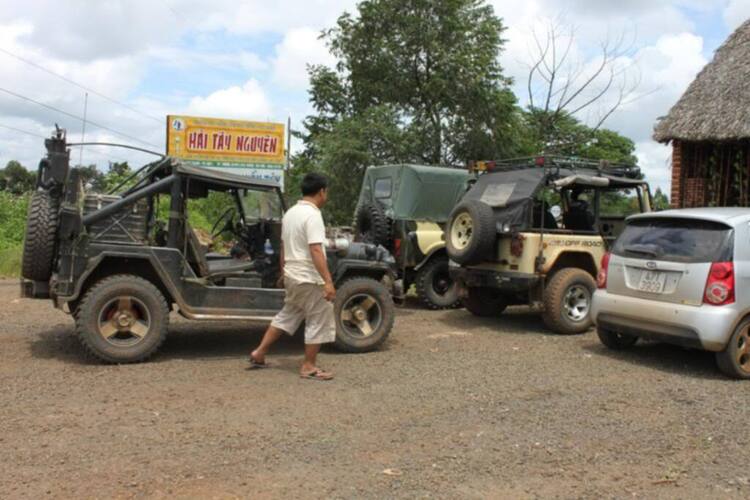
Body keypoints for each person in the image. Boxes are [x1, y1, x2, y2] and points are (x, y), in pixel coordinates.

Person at [248, 172, 336, 381]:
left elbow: (284, 248)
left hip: (292, 275)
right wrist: (328, 281)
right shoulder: (313, 215)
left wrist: (283, 271)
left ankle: (259, 352)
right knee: (319, 316)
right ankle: (309, 366)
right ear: (322, 191)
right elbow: (315, 249)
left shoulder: (290, 214)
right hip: (308, 278)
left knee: (288, 315)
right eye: (327, 191)